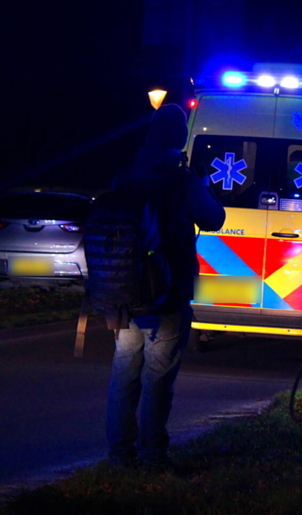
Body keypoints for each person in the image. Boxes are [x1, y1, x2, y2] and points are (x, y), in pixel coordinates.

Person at [107, 104, 226, 469]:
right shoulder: (181, 179)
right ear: (180, 138)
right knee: (158, 378)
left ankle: (119, 456)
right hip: (167, 293)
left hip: (124, 293)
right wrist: (200, 183)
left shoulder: (125, 175)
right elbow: (214, 218)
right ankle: (152, 455)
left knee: (124, 374)